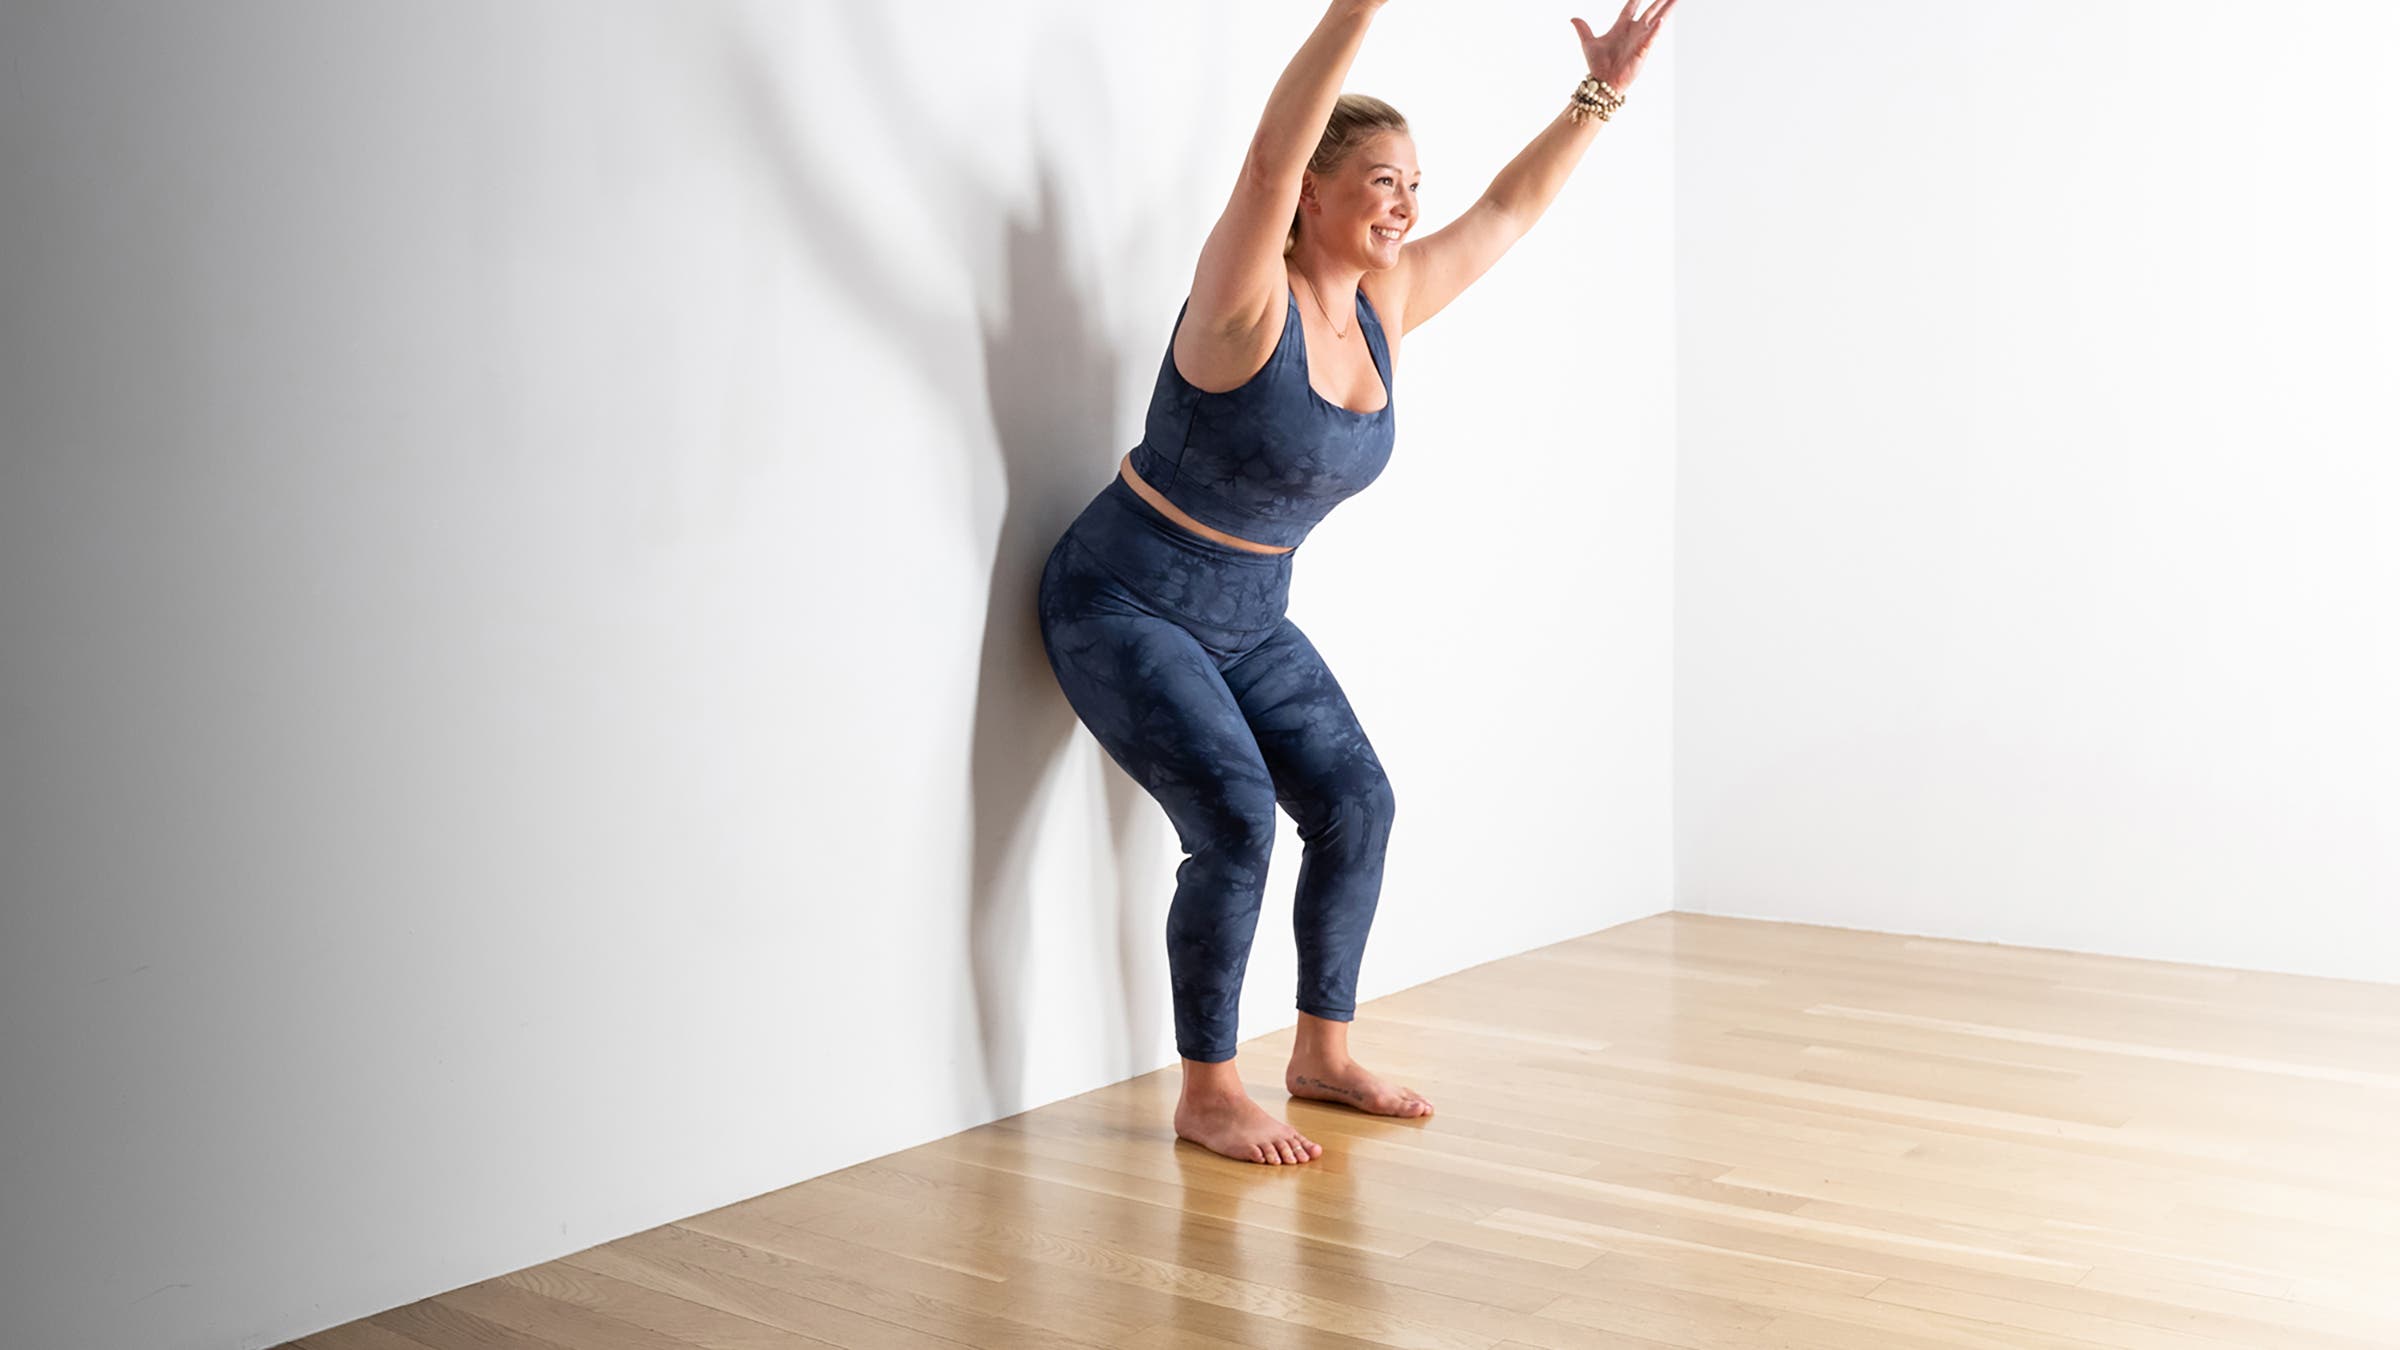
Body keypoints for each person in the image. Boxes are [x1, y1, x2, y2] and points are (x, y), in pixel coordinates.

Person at [1035, 0, 1679, 1166]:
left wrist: (1599, 95)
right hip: (1124, 597)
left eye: (1412, 182)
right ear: (1313, 199)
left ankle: (1320, 1054)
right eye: (1380, 179)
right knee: (1234, 822)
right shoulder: (1244, 302)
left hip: (1250, 611)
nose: (1406, 202)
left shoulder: (1382, 306)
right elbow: (1268, 154)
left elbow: (1507, 210)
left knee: (1356, 805)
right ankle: (1207, 1089)